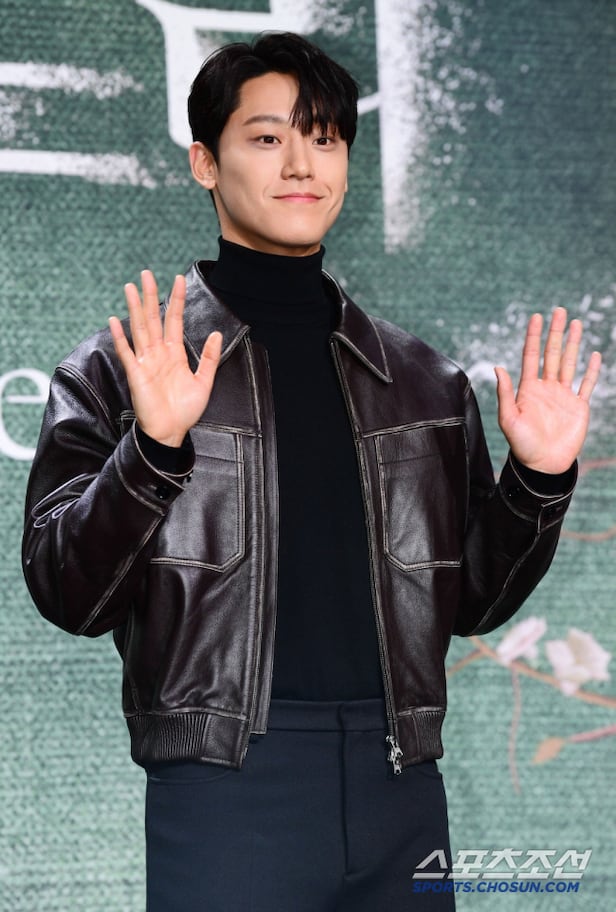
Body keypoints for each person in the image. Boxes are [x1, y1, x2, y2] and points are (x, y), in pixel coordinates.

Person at [22, 31, 601, 912]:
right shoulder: (121, 369)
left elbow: (473, 601)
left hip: (403, 787)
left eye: (325, 139)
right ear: (204, 163)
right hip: (225, 789)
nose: (302, 164)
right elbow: (70, 594)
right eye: (267, 138)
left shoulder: (424, 381)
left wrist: (539, 478)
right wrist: (154, 448)